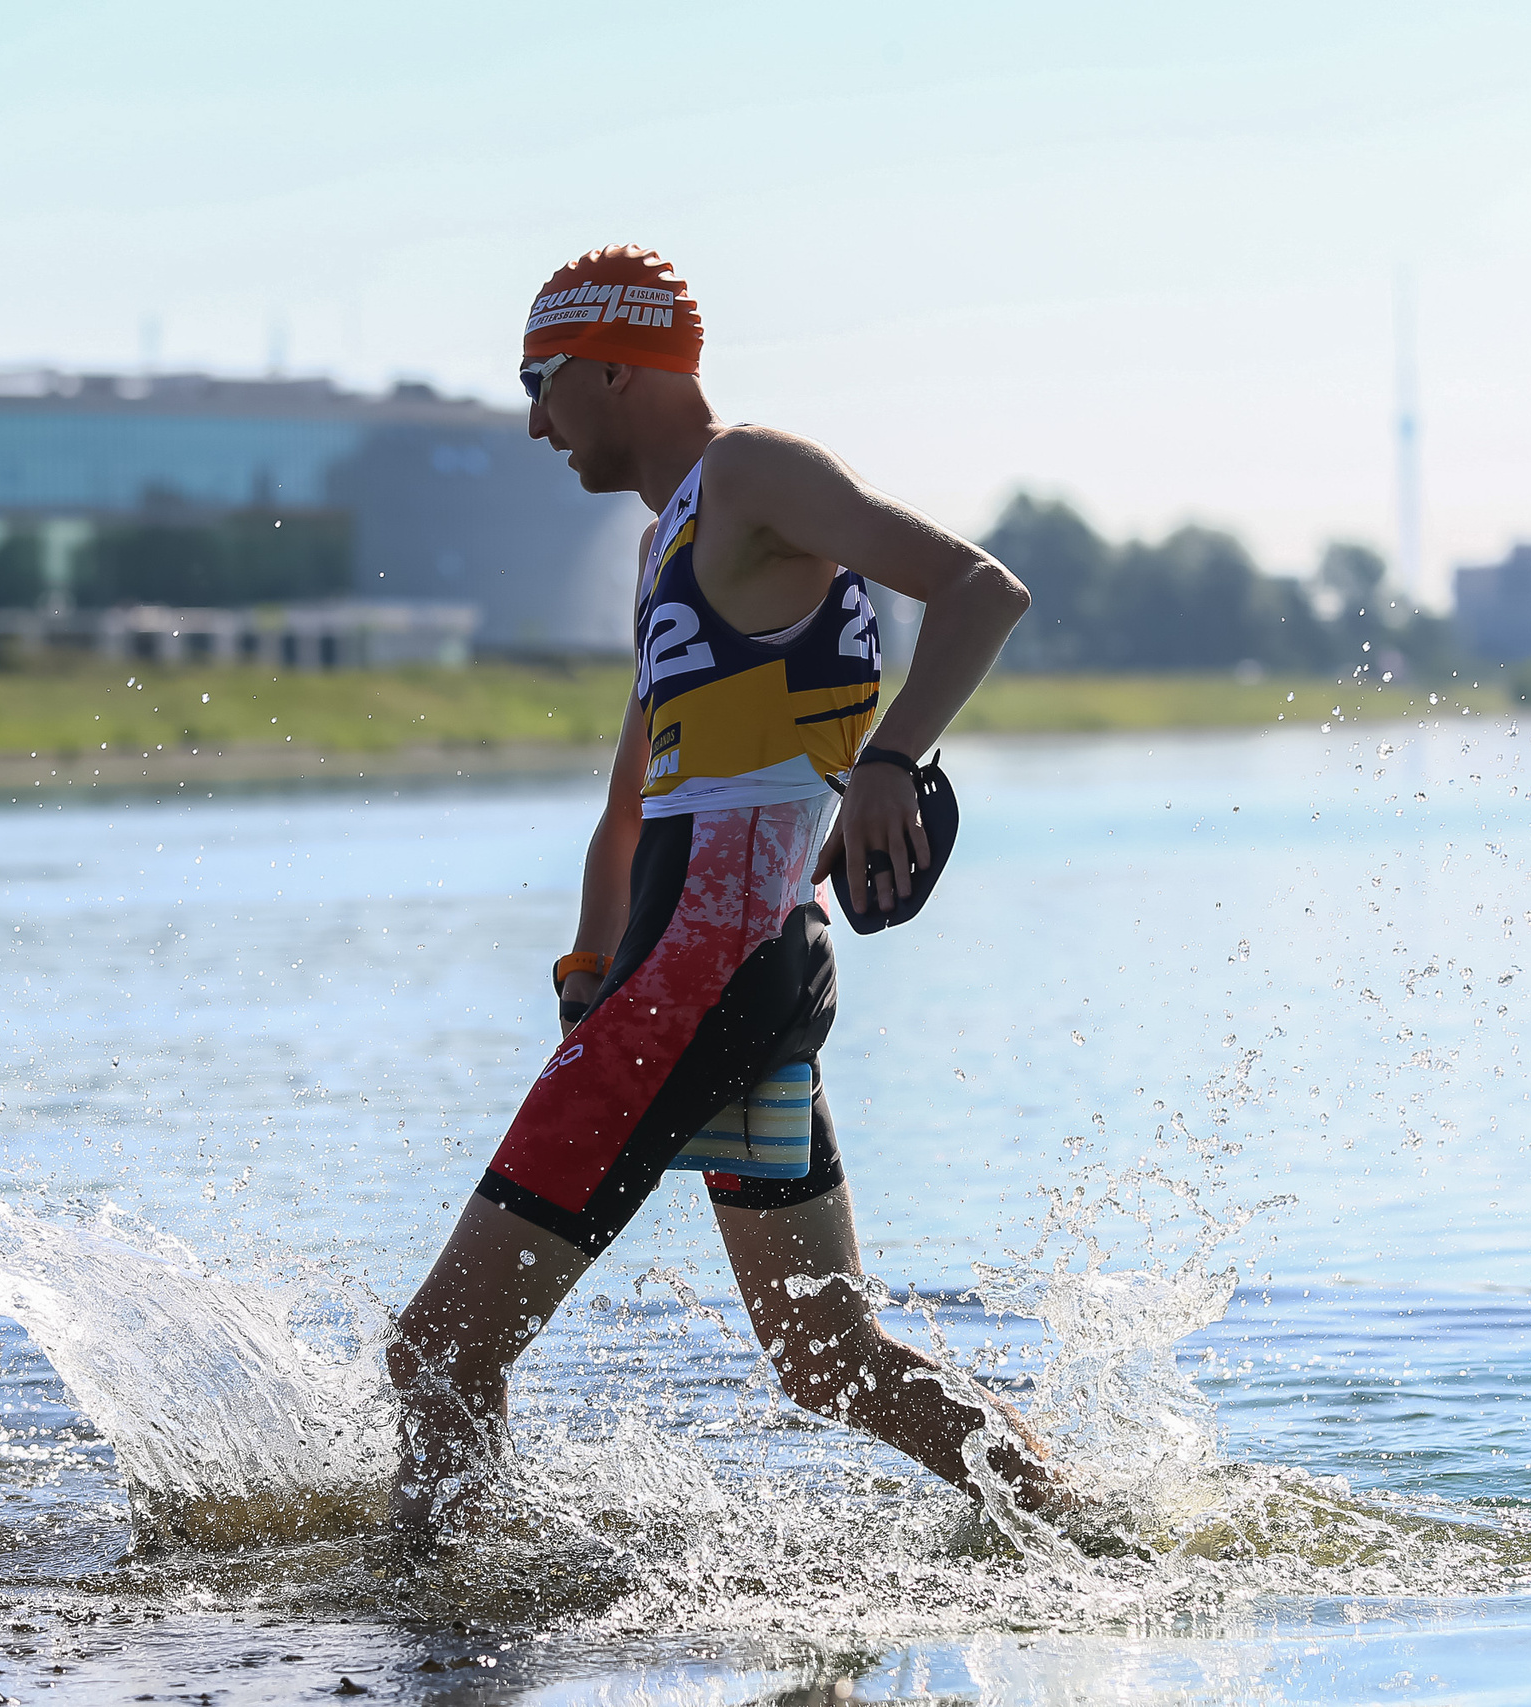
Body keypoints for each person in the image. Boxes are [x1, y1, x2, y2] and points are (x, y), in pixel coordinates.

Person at [383, 246, 1063, 1545]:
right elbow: (631, 796)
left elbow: (984, 590)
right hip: (714, 974)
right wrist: (588, 961)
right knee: (830, 1362)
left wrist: (892, 758)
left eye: (542, 381)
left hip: (708, 971)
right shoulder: (666, 541)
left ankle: (442, 1633)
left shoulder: (750, 473)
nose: (531, 419)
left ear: (617, 366)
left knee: (436, 1354)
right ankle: (1075, 1528)